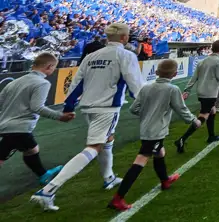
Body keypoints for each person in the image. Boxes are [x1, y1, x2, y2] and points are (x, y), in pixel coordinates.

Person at [32, 23, 144, 212]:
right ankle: (49, 190)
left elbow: (77, 83)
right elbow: (135, 83)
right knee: (94, 147)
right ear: (125, 38)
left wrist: (69, 105)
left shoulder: (92, 56)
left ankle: (108, 177)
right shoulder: (126, 55)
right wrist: (143, 103)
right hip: (107, 107)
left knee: (107, 140)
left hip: (88, 106)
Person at [107, 60, 201, 212]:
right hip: (155, 132)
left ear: (157, 72)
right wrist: (193, 121)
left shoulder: (146, 87)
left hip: (147, 129)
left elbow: (133, 108)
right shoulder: (172, 89)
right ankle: (118, 198)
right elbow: (181, 108)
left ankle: (165, 180)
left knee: (160, 152)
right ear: (175, 74)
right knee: (141, 160)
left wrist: (147, 115)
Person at [0, 53, 73, 186]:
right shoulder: (42, 83)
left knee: (31, 149)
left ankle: (43, 175)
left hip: (7, 126)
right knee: (29, 149)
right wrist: (60, 116)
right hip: (20, 127)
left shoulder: (14, 82)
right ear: (50, 66)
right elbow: (37, 107)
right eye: (54, 67)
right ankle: (43, 175)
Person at [176, 39, 219, 152]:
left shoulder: (203, 61)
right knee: (203, 117)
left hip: (202, 91)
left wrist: (187, 90)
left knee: (213, 111)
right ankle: (182, 139)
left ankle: (211, 136)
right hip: (210, 92)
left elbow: (194, 77)